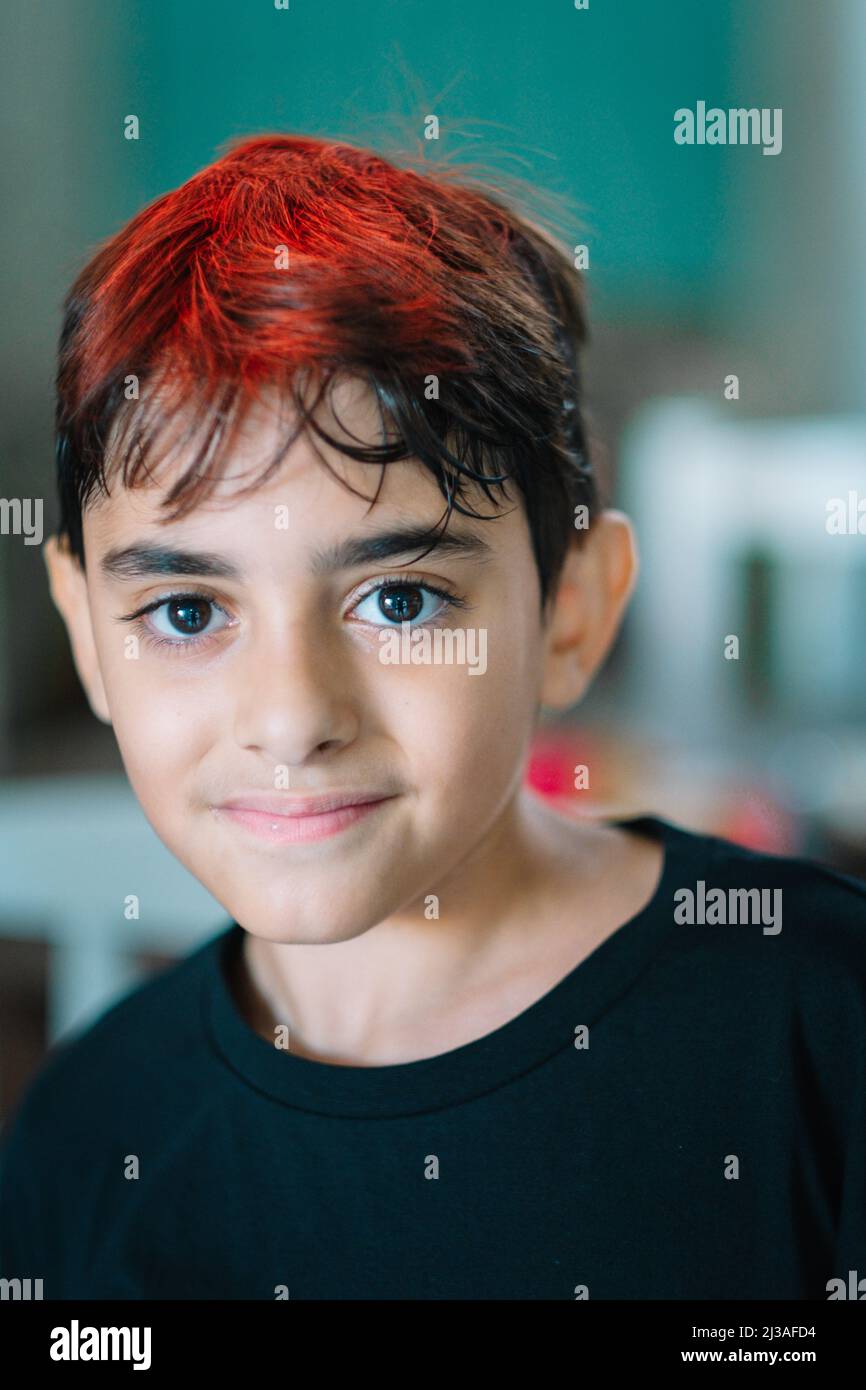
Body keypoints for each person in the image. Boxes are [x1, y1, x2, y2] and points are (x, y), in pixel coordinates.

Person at [1, 134, 864, 1301]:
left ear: (571, 611)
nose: (293, 717)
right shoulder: (85, 1132)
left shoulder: (819, 1028)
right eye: (188, 609)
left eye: (396, 598)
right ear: (85, 630)